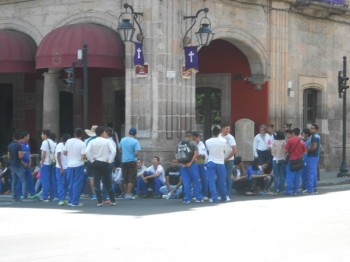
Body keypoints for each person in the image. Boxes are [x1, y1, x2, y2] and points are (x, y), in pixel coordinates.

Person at [85, 126, 116, 206]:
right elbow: (114, 151)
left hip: (96, 162)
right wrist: (109, 161)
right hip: (105, 162)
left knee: (97, 182)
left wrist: (92, 160)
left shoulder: (92, 142)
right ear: (103, 133)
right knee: (108, 182)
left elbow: (87, 151)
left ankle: (99, 201)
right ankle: (113, 201)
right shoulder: (107, 141)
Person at [178, 131, 202, 204]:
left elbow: (176, 154)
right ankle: (198, 197)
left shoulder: (180, 143)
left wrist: (181, 163)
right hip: (192, 165)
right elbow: (196, 154)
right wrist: (190, 162)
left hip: (183, 165)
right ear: (191, 136)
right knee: (195, 181)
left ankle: (187, 198)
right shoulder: (193, 143)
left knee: (186, 182)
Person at [64, 128, 86, 207]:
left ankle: (70, 200)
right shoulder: (82, 143)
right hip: (79, 164)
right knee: (77, 183)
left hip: (69, 164)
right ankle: (75, 201)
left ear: (74, 133)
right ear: (82, 135)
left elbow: (65, 153)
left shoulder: (68, 141)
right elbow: (83, 156)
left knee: (70, 183)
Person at [205, 126, 227, 203]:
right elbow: (224, 151)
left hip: (211, 161)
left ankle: (214, 197)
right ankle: (223, 196)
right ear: (220, 132)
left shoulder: (207, 141)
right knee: (222, 180)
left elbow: (208, 151)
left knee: (211, 180)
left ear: (212, 132)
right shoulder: (223, 141)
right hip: (220, 162)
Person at [118, 127, 141, 200]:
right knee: (131, 178)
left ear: (129, 132)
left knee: (125, 178)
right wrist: (133, 154)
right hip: (132, 161)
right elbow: (137, 153)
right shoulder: (135, 141)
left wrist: (124, 152)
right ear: (135, 133)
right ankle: (128, 193)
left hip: (124, 161)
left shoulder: (123, 139)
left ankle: (125, 193)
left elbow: (119, 149)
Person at [284, 127, 307, 196]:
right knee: (297, 177)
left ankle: (289, 191)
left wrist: (288, 153)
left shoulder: (290, 140)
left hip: (292, 160)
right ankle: (296, 190)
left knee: (290, 176)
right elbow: (305, 152)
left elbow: (285, 150)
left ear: (293, 133)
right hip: (300, 160)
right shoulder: (302, 141)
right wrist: (300, 154)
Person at [219, 124, 237, 198]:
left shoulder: (231, 138)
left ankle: (228, 192)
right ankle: (221, 192)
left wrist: (226, 159)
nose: (228, 130)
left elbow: (234, 150)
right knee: (221, 176)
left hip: (229, 160)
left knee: (228, 177)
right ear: (222, 129)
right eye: (226, 129)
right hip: (220, 160)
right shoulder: (219, 136)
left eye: (229, 129)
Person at [7, 131, 26, 201]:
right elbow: (20, 156)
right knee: (23, 180)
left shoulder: (9, 145)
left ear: (13, 138)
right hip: (18, 164)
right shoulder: (19, 145)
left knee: (14, 181)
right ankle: (23, 195)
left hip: (12, 164)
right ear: (20, 138)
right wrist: (23, 154)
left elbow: (8, 157)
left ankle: (14, 196)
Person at [20, 131, 37, 199]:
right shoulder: (19, 144)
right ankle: (22, 193)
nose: (29, 137)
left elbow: (29, 153)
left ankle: (32, 193)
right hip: (22, 164)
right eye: (28, 136)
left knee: (30, 178)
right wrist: (23, 163)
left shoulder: (27, 143)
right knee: (22, 179)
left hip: (27, 164)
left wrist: (30, 161)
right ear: (24, 137)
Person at [39, 129, 56, 202]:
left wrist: (42, 162)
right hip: (52, 163)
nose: (41, 135)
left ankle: (45, 196)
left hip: (45, 163)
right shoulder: (53, 142)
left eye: (42, 134)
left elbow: (44, 153)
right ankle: (53, 195)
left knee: (45, 180)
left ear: (45, 135)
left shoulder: (45, 142)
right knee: (52, 180)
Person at [192, 131, 209, 201]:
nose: (196, 140)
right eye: (194, 139)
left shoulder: (202, 144)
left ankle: (204, 194)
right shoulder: (192, 144)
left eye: (196, 138)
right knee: (196, 180)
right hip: (194, 163)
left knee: (204, 179)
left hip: (202, 162)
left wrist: (198, 158)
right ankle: (196, 194)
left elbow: (204, 155)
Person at [305, 123, 321, 194]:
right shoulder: (316, 136)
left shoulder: (314, 136)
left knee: (310, 173)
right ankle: (314, 188)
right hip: (315, 156)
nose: (311, 129)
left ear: (316, 129)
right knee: (313, 173)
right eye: (310, 128)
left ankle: (310, 189)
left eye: (312, 128)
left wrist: (307, 150)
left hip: (312, 156)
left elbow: (314, 147)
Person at [55, 133, 71, 206]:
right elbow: (58, 157)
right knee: (61, 184)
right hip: (60, 167)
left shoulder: (67, 146)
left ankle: (64, 199)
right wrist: (61, 168)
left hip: (67, 166)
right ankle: (61, 199)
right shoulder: (60, 145)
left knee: (66, 184)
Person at [271, 130, 287, 195]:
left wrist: (275, 155)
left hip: (275, 159)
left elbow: (273, 152)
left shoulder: (274, 142)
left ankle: (275, 190)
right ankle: (281, 190)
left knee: (276, 176)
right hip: (283, 159)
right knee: (282, 175)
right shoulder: (284, 142)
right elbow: (286, 151)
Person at [84, 125, 98, 200]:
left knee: (92, 177)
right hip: (100, 160)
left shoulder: (87, 140)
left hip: (90, 160)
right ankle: (100, 193)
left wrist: (89, 159)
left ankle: (94, 194)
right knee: (100, 177)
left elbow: (86, 152)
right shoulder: (101, 140)